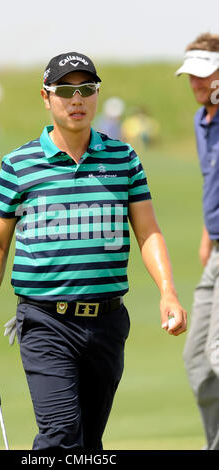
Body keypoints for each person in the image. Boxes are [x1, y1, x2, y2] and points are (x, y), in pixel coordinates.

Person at [0, 52, 187, 451]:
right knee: (60, 437)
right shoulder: (18, 165)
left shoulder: (123, 159)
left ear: (97, 94)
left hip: (106, 323)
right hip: (44, 322)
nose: (77, 99)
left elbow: (148, 232)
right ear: (46, 96)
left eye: (86, 89)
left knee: (89, 443)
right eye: (66, 90)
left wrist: (168, 291)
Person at [175, 33, 219, 450]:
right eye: (191, 76)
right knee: (198, 362)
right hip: (216, 255)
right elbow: (213, 181)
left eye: (205, 76)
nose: (197, 84)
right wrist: (208, 235)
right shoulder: (201, 120)